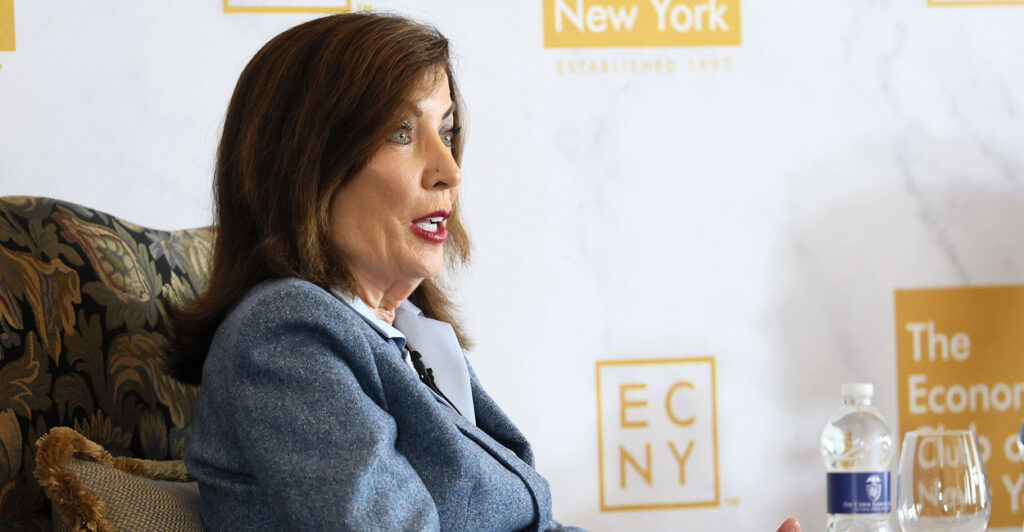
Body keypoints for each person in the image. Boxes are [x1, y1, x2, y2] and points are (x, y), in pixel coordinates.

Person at [165, 11, 802, 532]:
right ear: (307, 162)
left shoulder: (412, 334)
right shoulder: (285, 337)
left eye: (447, 131)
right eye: (400, 133)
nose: (450, 170)